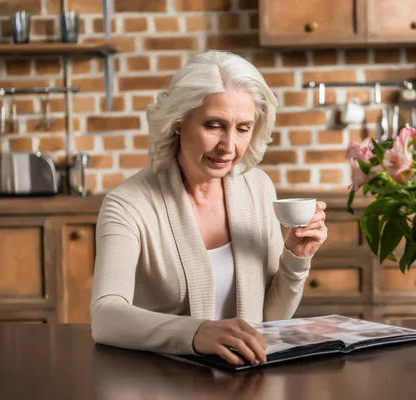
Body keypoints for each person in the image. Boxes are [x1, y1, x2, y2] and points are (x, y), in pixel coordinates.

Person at [90, 50, 328, 367]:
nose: (228, 146)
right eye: (214, 125)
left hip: (247, 379)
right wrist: (197, 333)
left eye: (243, 128)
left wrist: (296, 258)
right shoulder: (128, 204)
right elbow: (106, 316)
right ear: (178, 122)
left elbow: (269, 319)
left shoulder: (258, 188)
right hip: (162, 380)